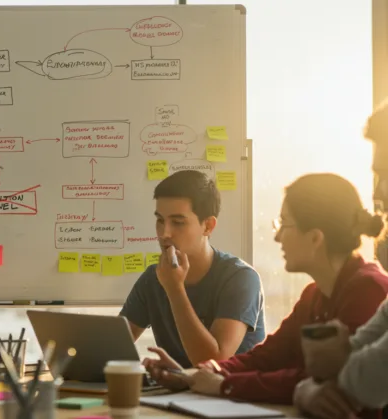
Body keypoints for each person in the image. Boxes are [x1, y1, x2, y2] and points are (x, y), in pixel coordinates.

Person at [146, 173, 388, 406]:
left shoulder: (368, 290)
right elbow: (267, 357)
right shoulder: (314, 294)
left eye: (284, 224)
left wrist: (225, 385)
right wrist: (195, 375)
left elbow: (324, 379)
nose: (277, 237)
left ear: (315, 238)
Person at [291, 102, 388, 419]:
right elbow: (345, 359)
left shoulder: (366, 285)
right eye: (378, 176)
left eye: (386, 174)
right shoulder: (313, 294)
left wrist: (306, 389)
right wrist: (307, 388)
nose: (381, 192)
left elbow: (368, 379)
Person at [119, 170, 265, 368]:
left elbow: (214, 362)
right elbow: (112, 346)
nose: (164, 233)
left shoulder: (241, 279)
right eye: (160, 220)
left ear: (208, 226)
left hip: (230, 387)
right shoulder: (152, 279)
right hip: (180, 387)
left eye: (178, 222)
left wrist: (174, 289)